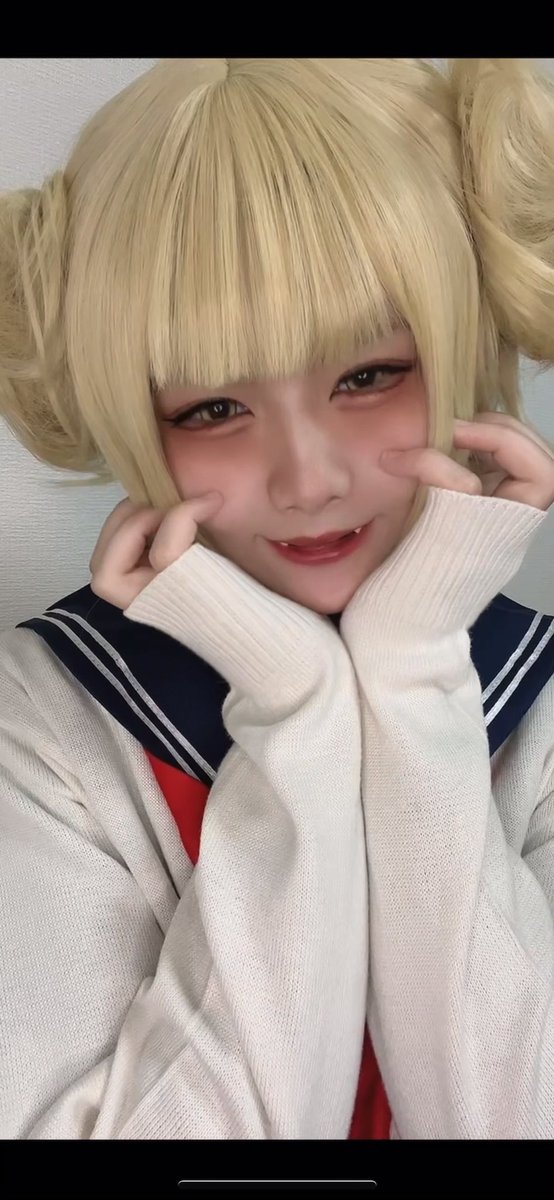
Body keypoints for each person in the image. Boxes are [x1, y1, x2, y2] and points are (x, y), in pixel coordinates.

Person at [1, 57, 554, 1141]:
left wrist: (408, 675)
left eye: (368, 375)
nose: (307, 481)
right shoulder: (43, 719)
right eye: (212, 407)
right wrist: (299, 715)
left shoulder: (537, 702)